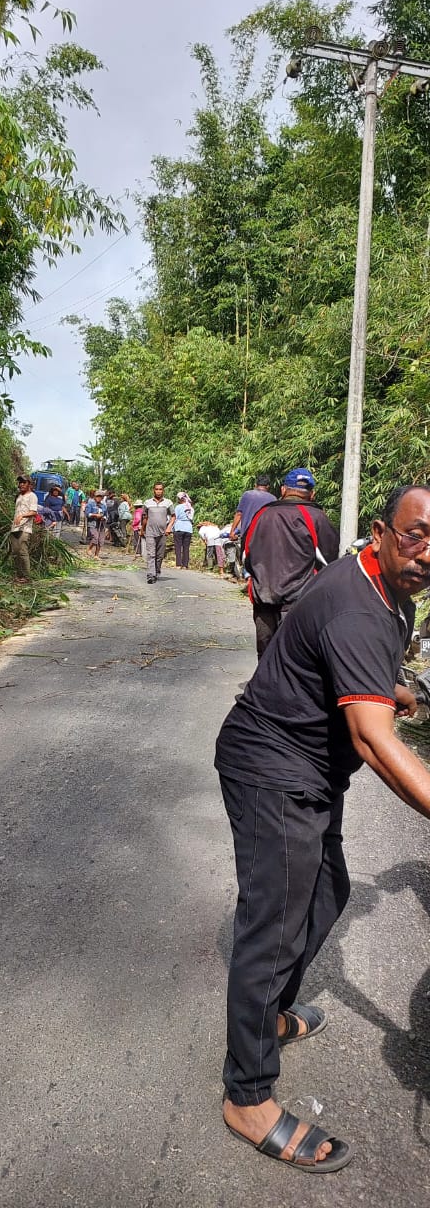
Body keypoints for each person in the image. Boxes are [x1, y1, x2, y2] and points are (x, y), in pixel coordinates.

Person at [214, 484, 430, 1174]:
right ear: (380, 531)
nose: (428, 553)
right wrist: (384, 708)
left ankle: (271, 1015)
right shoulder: (358, 602)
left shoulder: (392, 590)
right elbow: (371, 740)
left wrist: (400, 689)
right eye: (415, 535)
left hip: (310, 771)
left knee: (329, 890)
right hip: (271, 765)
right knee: (273, 925)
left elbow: (360, 674)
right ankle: (247, 1095)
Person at [244, 467, 339, 659]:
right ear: (312, 493)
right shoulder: (316, 517)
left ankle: (265, 687)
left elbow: (246, 555)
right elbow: (330, 561)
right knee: (294, 656)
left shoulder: (262, 515)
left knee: (265, 653)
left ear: (282, 490)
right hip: (299, 600)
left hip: (264, 597)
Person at [141, 483, 175, 583]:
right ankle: (151, 575)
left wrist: (169, 527)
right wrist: (142, 529)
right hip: (150, 532)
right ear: (153, 490)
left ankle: (157, 570)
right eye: (157, 489)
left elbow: (173, 516)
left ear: (163, 490)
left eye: (160, 489)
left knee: (159, 555)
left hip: (163, 532)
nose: (158, 491)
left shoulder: (168, 503)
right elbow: (144, 517)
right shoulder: (147, 503)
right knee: (151, 554)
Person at [229, 474, 276, 545]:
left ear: (255, 485)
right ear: (268, 486)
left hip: (247, 535)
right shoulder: (273, 499)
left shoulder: (247, 495)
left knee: (246, 555)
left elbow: (239, 514)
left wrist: (232, 532)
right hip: (265, 536)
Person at [10, 474, 38, 583]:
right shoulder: (19, 496)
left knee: (23, 552)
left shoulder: (32, 496)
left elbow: (34, 512)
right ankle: (18, 575)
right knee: (15, 552)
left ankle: (27, 577)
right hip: (15, 528)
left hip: (25, 528)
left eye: (24, 482)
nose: (21, 484)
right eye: (20, 482)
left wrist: (22, 516)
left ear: (29, 484)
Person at [168, 492, 194, 569]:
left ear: (180, 499)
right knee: (186, 547)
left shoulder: (178, 507)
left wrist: (170, 527)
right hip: (188, 528)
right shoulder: (191, 508)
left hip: (179, 527)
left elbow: (174, 517)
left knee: (178, 546)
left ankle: (178, 564)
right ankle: (185, 565)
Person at [84, 490, 107, 557]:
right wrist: (95, 515)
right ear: (95, 496)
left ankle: (96, 555)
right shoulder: (90, 504)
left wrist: (103, 518)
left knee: (101, 540)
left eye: (100, 497)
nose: (99, 498)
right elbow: (87, 514)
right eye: (97, 496)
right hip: (92, 523)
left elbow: (106, 515)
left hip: (101, 524)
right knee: (95, 537)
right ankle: (89, 549)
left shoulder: (103, 506)